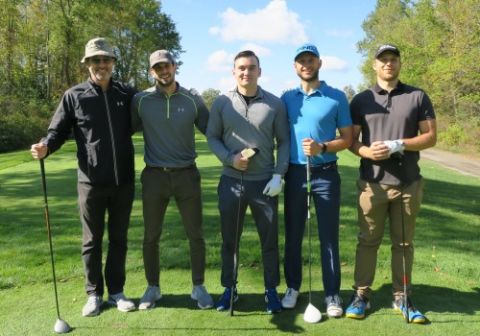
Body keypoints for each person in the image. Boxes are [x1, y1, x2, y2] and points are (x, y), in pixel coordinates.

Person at [30, 37, 136, 317]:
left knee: (119, 239)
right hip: (90, 183)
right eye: (95, 60)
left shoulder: (126, 94)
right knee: (92, 241)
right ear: (87, 64)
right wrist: (45, 146)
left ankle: (116, 292)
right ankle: (94, 294)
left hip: (123, 180)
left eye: (105, 59)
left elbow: (149, 114)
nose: (101, 65)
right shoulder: (74, 95)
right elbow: (57, 132)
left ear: (113, 62)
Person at [345, 44, 436, 323]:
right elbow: (352, 141)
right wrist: (366, 151)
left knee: (404, 243)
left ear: (399, 64)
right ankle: (361, 295)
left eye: (393, 60)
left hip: (408, 183)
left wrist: (400, 144)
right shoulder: (361, 100)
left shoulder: (417, 96)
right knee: (367, 242)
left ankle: (402, 295)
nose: (388, 64)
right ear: (374, 65)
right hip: (372, 184)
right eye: (383, 60)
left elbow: (430, 137)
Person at [206, 50, 289, 314]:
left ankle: (271, 290)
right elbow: (212, 137)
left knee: (269, 241)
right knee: (230, 240)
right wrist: (230, 159)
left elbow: (284, 141)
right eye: (241, 68)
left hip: (265, 183)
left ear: (259, 71)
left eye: (251, 68)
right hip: (231, 181)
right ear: (233, 72)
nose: (246, 72)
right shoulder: (221, 102)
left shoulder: (274, 103)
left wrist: (279, 174)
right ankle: (229, 289)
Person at [131, 49, 213, 310]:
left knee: (195, 235)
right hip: (154, 176)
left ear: (175, 66)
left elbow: (213, 131)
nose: (162, 71)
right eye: (157, 68)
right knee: (150, 236)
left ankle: (198, 287)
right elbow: (123, 130)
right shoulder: (141, 100)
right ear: (151, 72)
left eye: (166, 66)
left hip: (187, 175)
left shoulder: (192, 100)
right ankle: (152, 288)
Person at [280, 43, 353, 317]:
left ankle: (332, 294)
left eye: (310, 60)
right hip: (295, 173)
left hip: (325, 173)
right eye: (301, 61)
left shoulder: (336, 97)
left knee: (328, 236)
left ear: (319, 63)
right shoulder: (286, 98)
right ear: (295, 66)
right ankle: (293, 287)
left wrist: (322, 147)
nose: (306, 64)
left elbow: (347, 139)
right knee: (294, 234)